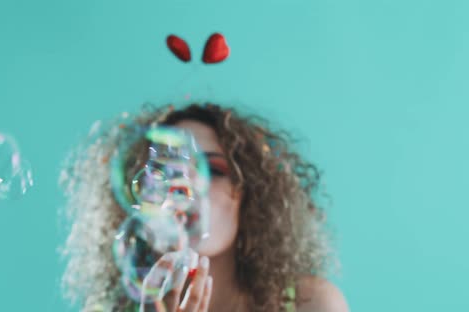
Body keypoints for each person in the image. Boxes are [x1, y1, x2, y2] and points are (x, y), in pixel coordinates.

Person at [59, 103, 349, 312]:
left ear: (250, 198)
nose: (187, 185)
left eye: (214, 169)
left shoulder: (310, 304)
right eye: (166, 171)